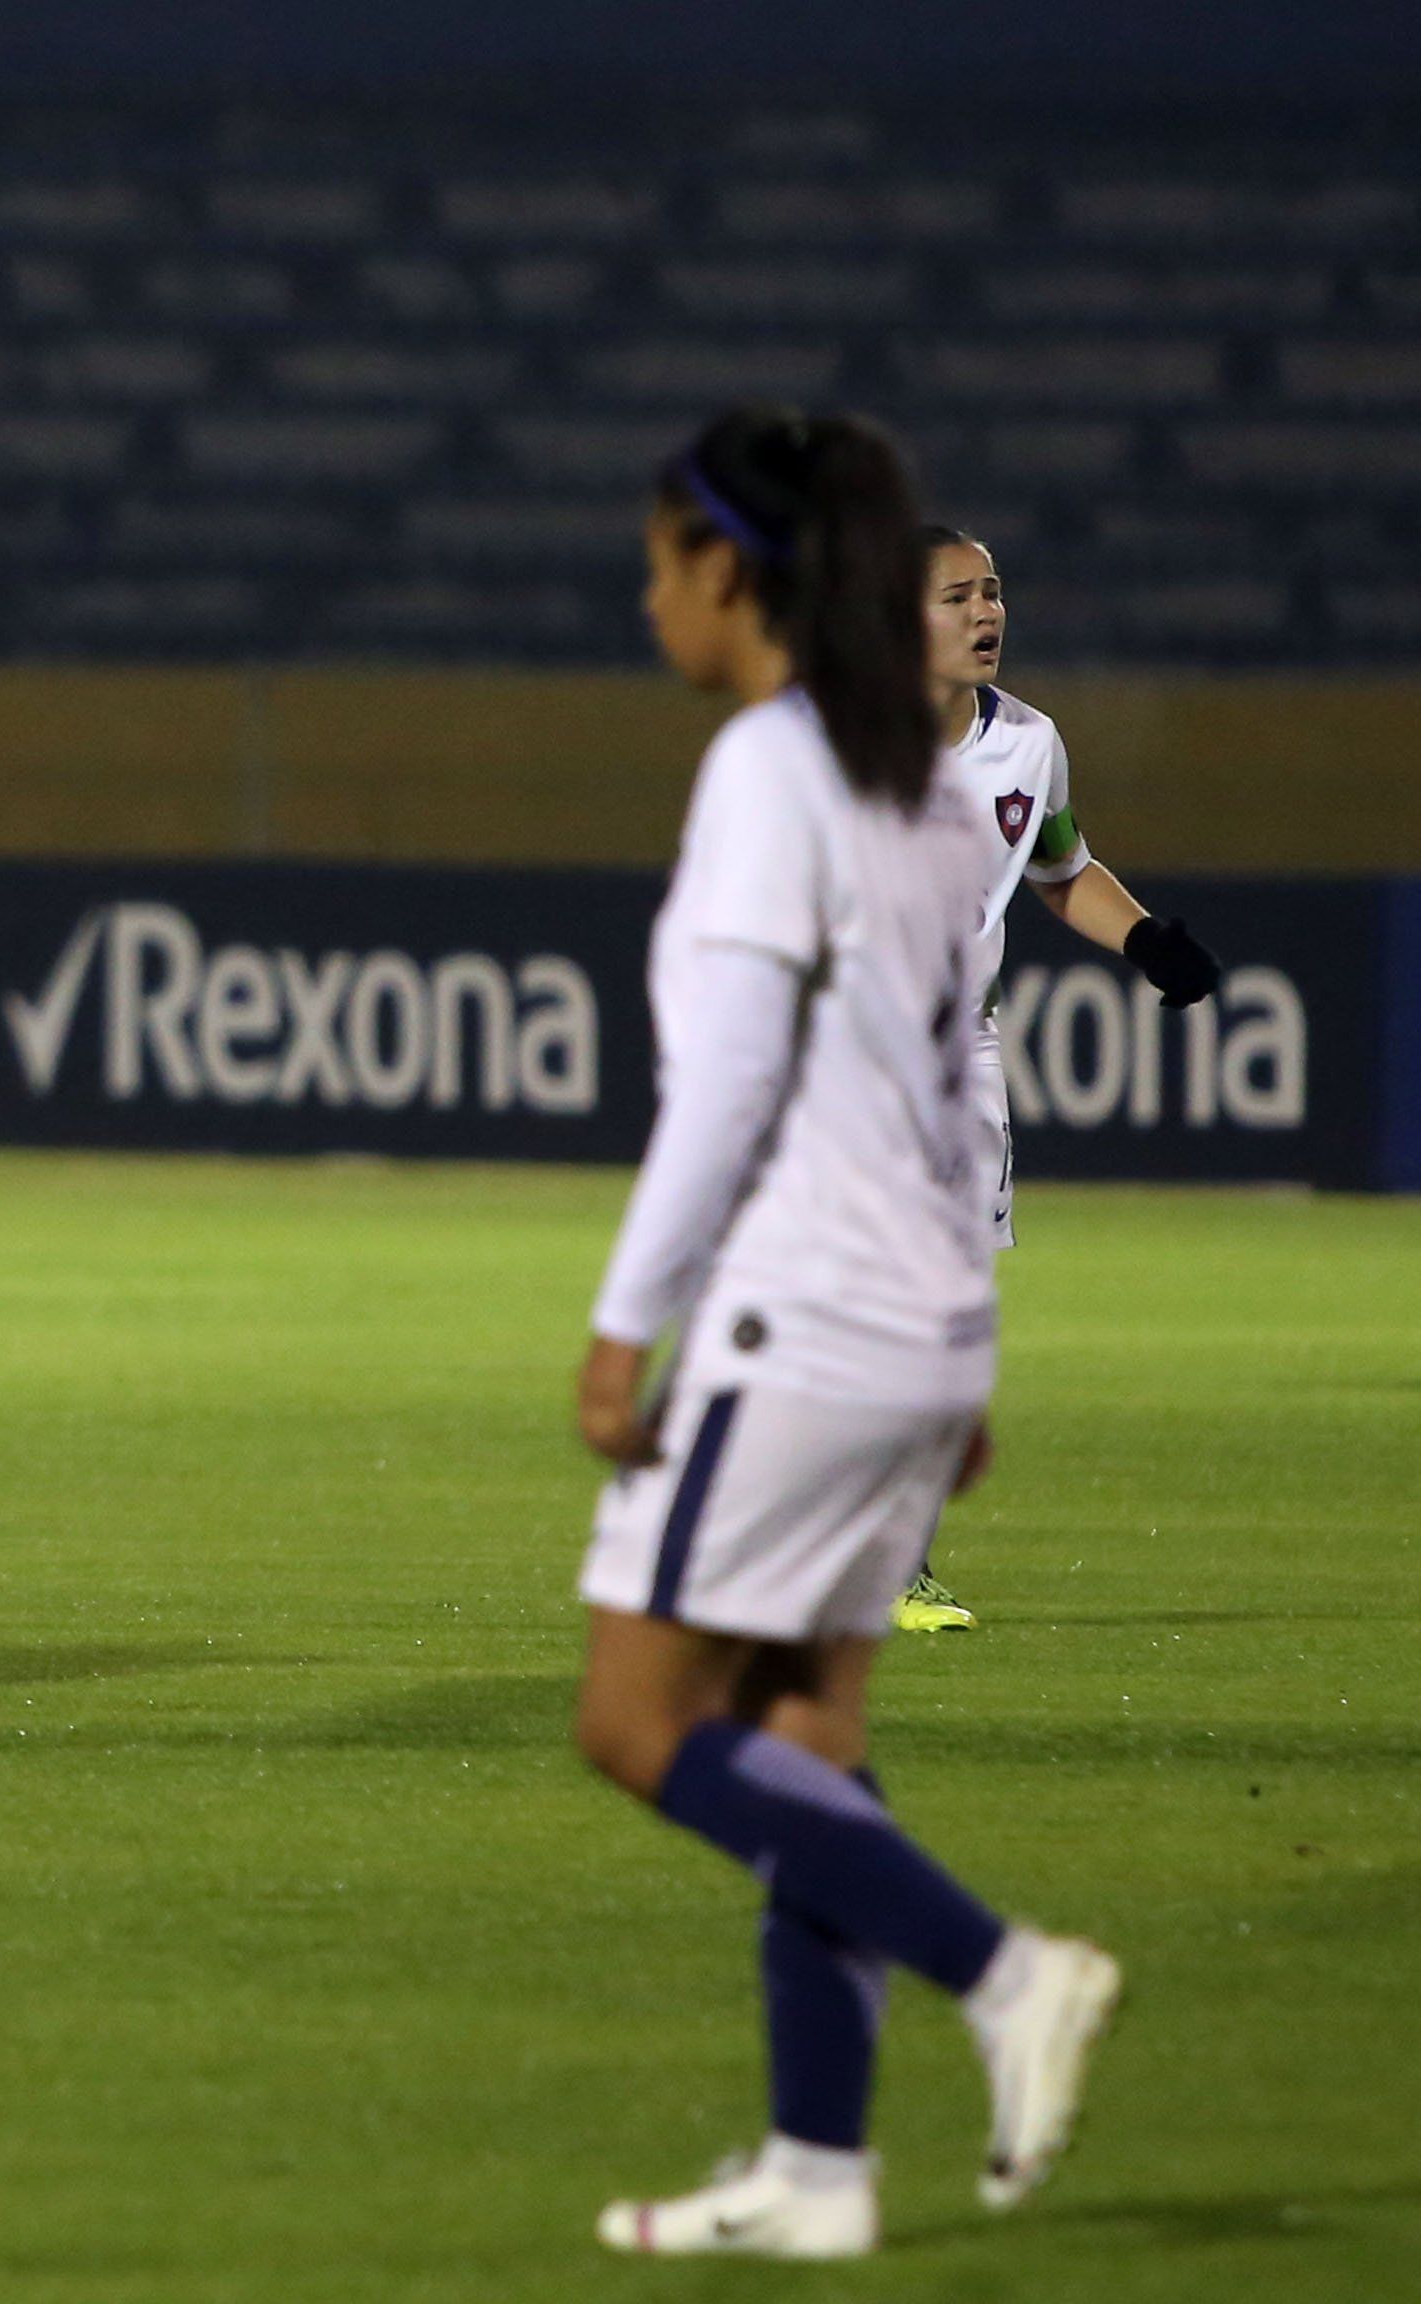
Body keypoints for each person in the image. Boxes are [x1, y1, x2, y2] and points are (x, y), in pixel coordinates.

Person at [568, 407, 1118, 2258]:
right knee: (806, 1732)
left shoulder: (773, 769)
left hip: (802, 1306)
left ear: (731, 571)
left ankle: (1002, 1966)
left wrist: (623, 1322)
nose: (649, 595)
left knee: (640, 1718)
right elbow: (943, 1073)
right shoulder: (917, 777)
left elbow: (727, 1089)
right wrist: (959, 1351)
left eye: (660, 560)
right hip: (917, 1315)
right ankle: (818, 2162)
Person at [897, 528, 1225, 1632]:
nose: (986, 611)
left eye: (993, 590)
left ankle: (896, 1565)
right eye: (957, 595)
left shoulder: (1029, 745)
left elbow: (1062, 868)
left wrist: (1146, 944)